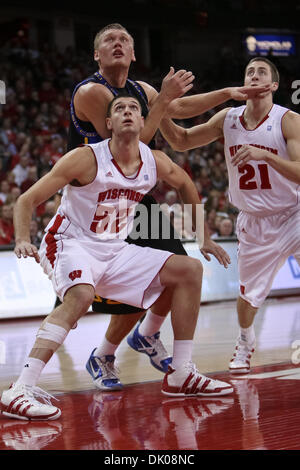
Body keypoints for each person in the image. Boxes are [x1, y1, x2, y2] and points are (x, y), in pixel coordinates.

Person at [1, 95, 233, 420]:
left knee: (188, 270)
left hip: (114, 249)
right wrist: (23, 239)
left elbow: (185, 184)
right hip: (70, 242)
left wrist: (203, 236)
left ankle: (180, 372)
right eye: (119, 109)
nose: (127, 112)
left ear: (143, 123)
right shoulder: (85, 158)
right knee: (80, 297)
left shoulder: (155, 161)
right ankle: (20, 389)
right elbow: (26, 199)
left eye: (134, 109)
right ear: (108, 124)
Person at [66, 23, 268, 390]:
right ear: (96, 54)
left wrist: (227, 93)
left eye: (125, 40)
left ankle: (147, 336)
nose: (118, 44)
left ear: (134, 53)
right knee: (125, 294)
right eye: (109, 41)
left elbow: (177, 107)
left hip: (133, 198)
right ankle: (102, 355)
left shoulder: (140, 90)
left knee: (178, 272)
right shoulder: (92, 92)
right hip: (94, 206)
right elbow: (130, 143)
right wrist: (162, 101)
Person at [159, 56, 300, 374]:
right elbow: (181, 141)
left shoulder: (288, 120)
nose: (253, 75)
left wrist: (267, 155)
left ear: (273, 85)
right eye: (249, 71)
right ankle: (247, 340)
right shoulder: (228, 119)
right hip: (255, 220)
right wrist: (159, 116)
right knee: (248, 298)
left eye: (261, 71)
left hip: (294, 212)